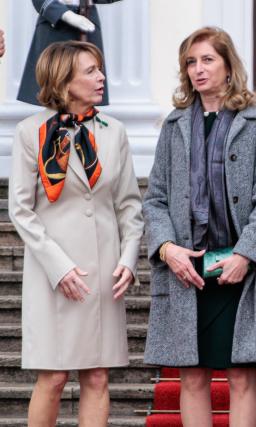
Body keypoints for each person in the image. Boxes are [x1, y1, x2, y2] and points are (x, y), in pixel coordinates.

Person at [142, 27, 256, 427]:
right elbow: (155, 198)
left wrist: (247, 254)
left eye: (207, 59)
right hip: (187, 268)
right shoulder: (174, 125)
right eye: (191, 62)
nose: (198, 69)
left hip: (238, 268)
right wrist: (166, 248)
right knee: (192, 375)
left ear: (229, 66)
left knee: (241, 374)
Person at [8, 41, 143, 426]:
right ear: (63, 79)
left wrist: (129, 260)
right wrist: (59, 267)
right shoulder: (29, 132)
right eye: (90, 71)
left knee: (98, 375)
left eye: (100, 69)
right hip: (54, 274)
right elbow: (20, 209)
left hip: (103, 274)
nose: (101, 77)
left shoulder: (114, 132)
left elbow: (129, 205)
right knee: (52, 376)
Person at [18, 0, 121, 105]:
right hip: (56, 24)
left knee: (89, 87)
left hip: (86, 18)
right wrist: (65, 14)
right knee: (53, 91)